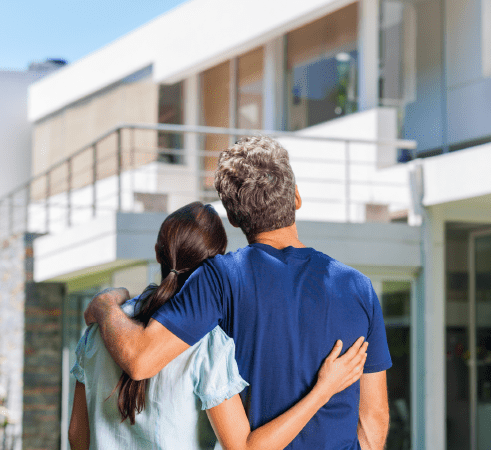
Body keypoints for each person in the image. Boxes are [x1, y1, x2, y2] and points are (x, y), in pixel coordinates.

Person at [85, 136, 392, 449]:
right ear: (296, 198)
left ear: (232, 218)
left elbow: (139, 360)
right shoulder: (358, 287)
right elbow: (374, 418)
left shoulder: (219, 278)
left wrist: (105, 304)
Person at [68, 201, 368, 450]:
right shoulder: (208, 344)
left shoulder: (98, 331)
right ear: (217, 261)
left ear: (159, 252)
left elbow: (76, 435)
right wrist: (323, 390)